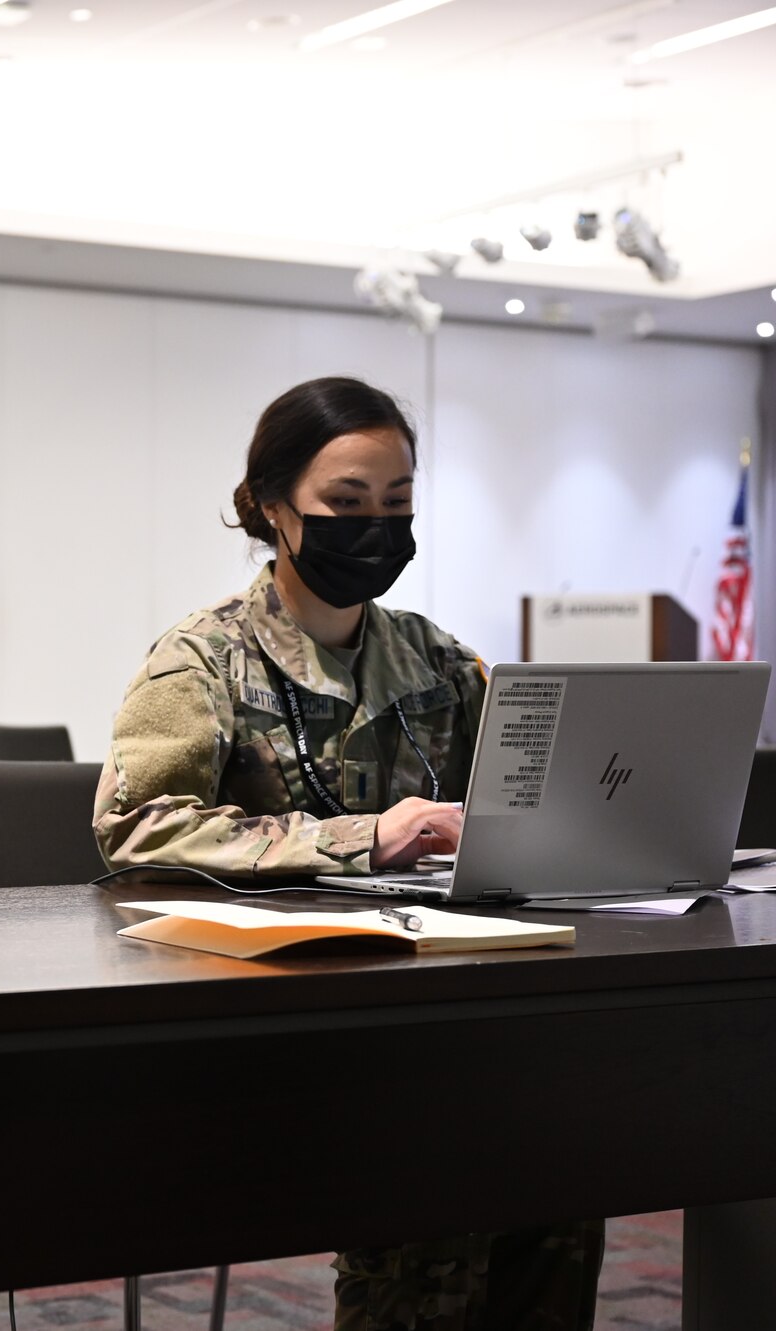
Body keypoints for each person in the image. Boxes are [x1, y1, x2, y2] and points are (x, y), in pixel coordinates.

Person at [92, 377, 602, 1330]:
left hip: (442, 991)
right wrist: (363, 835)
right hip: (283, 1013)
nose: (377, 527)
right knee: (441, 1156)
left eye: (399, 504)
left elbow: (527, 801)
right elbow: (135, 827)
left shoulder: (439, 662)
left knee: (561, 1159)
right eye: (348, 505)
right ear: (270, 507)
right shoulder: (204, 659)